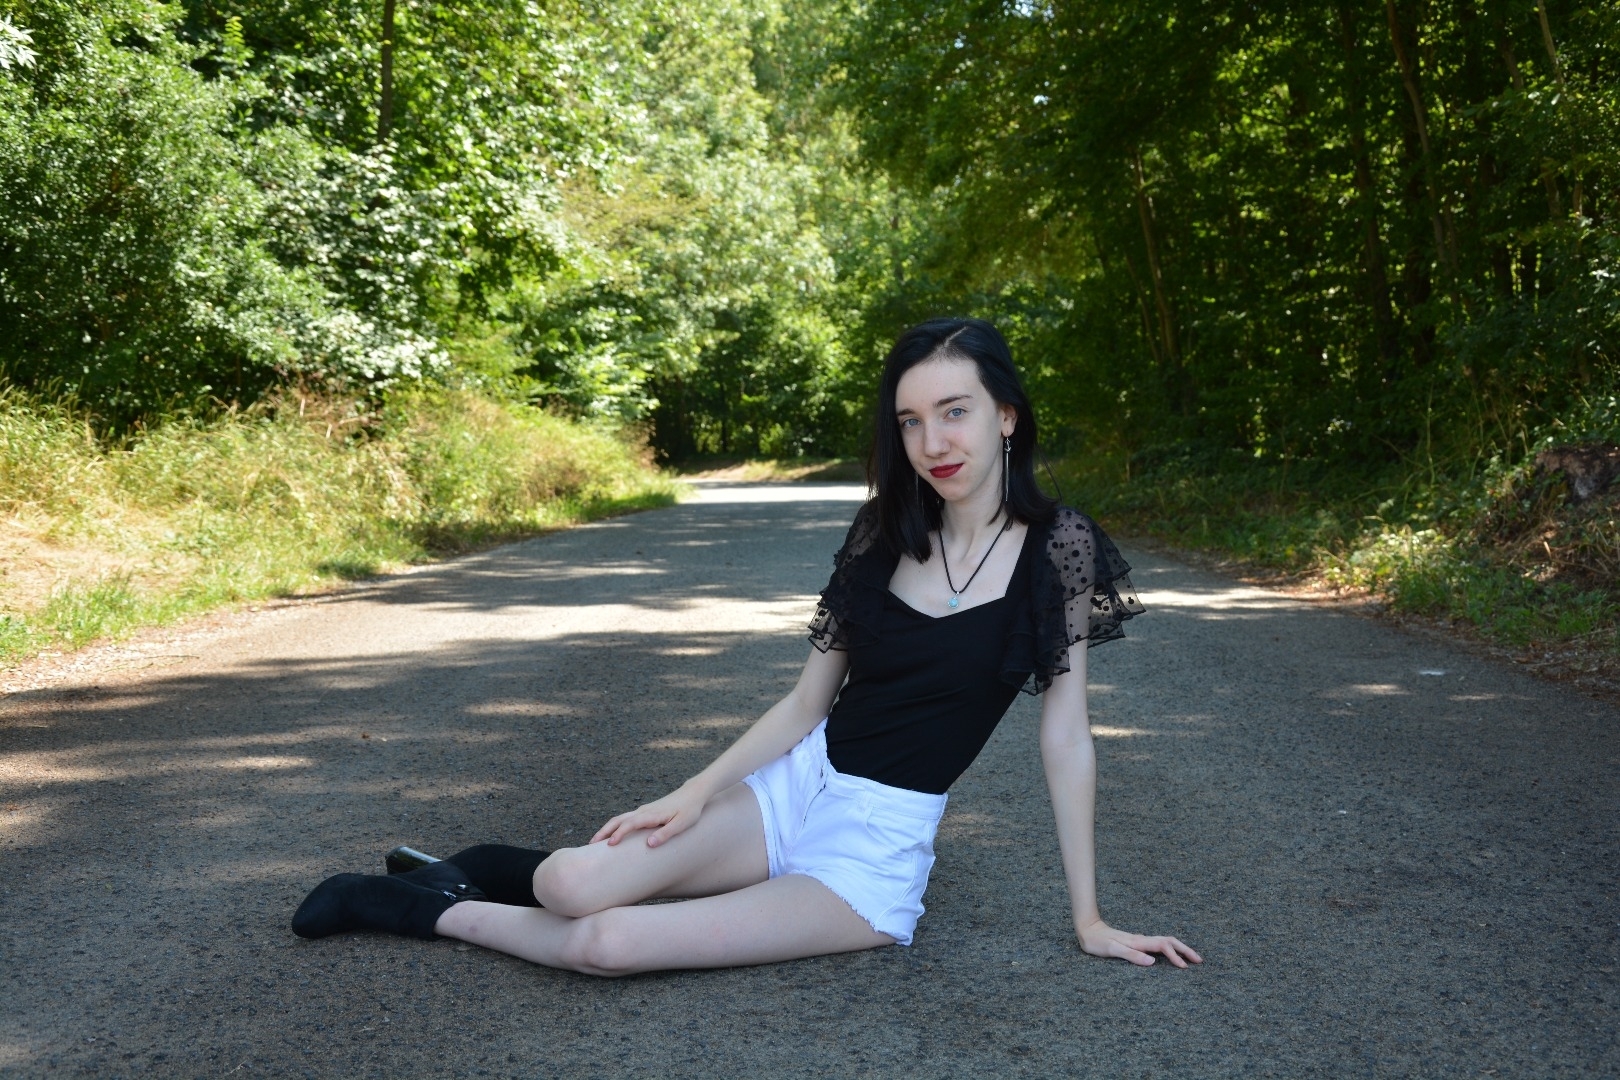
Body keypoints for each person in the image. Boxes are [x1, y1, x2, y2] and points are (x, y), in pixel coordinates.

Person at [291, 317, 1202, 976]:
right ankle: (491, 867)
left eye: (954, 412)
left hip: (868, 853)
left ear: (1006, 415)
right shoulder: (885, 531)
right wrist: (690, 794)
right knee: (569, 883)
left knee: (606, 942)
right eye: (910, 421)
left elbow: (1065, 734)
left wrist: (1089, 919)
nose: (933, 442)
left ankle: (418, 907)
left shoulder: (1057, 548)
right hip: (794, 787)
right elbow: (807, 703)